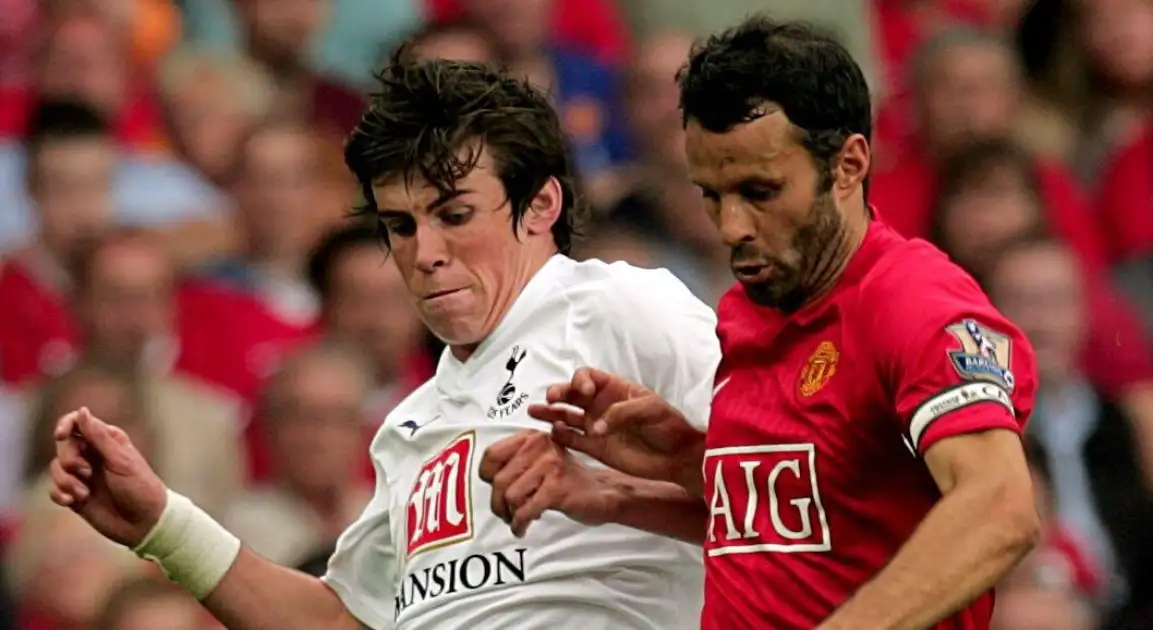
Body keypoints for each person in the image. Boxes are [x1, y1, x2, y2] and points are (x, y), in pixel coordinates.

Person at [45, 46, 719, 630]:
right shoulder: (410, 425)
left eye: (454, 214)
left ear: (542, 204)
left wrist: (632, 489)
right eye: (400, 226)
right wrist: (163, 525)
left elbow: (799, 493)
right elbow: (342, 620)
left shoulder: (619, 307)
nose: (424, 252)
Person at [481, 16, 1041, 629]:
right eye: (712, 195)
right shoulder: (751, 310)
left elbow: (1000, 508)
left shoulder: (912, 300)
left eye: (761, 191)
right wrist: (645, 482)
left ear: (849, 164)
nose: (731, 227)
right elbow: (806, 531)